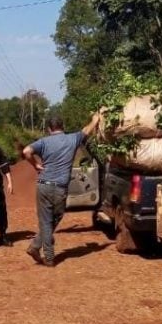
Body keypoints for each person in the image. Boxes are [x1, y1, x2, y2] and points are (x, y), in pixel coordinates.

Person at [22, 113, 100, 267]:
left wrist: (35, 165)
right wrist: (95, 120)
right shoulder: (72, 138)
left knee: (46, 221)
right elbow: (86, 130)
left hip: (43, 185)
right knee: (55, 218)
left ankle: (35, 246)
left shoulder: (43, 141)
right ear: (62, 127)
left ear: (49, 128)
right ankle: (49, 257)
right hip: (60, 188)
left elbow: (26, 151)